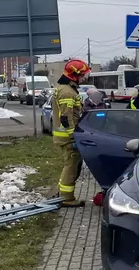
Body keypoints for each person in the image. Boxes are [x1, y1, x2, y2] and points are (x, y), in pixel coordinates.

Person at [52, 58, 91, 208]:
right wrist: (73, 135)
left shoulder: (66, 88)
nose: (84, 78)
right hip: (67, 137)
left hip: (66, 136)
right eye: (82, 75)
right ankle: (67, 197)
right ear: (75, 75)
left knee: (72, 165)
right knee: (71, 166)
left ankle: (63, 193)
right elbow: (66, 117)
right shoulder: (67, 92)